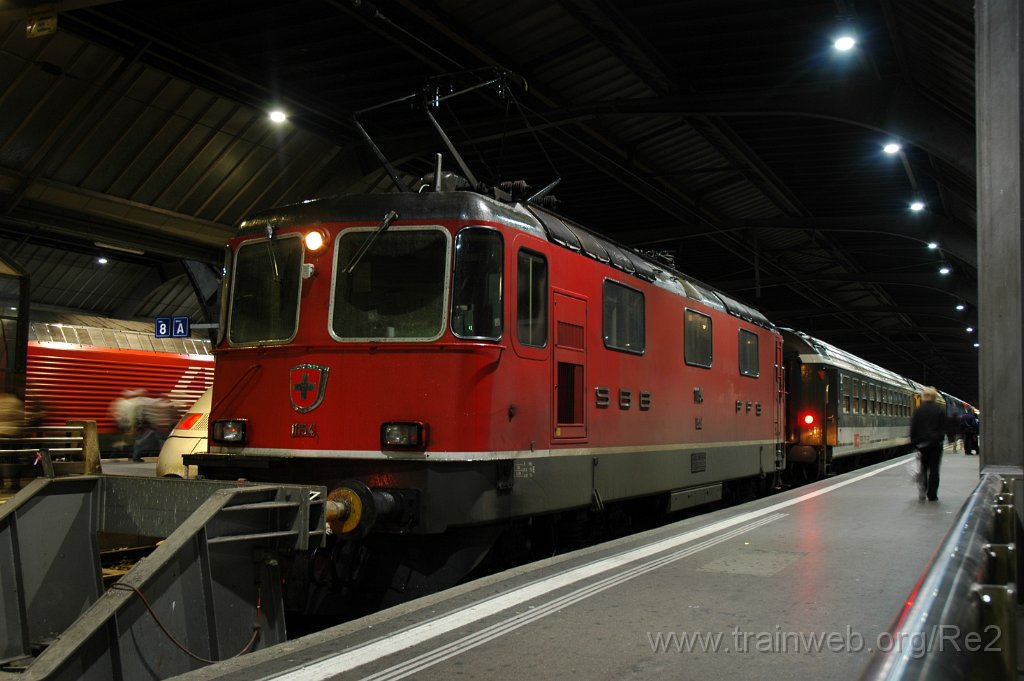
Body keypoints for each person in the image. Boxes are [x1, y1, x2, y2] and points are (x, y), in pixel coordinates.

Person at [910, 387, 947, 501]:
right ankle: (932, 494)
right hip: (935, 444)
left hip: (922, 444)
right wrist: (940, 438)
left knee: (923, 468)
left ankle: (922, 490)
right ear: (935, 397)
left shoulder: (918, 410)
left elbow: (913, 428)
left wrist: (914, 443)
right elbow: (943, 426)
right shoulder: (940, 409)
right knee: (934, 469)